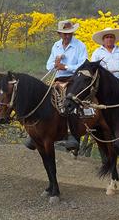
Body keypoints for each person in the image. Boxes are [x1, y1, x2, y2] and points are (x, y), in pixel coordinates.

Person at [24, 20, 88, 150]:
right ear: (59, 33)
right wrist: (55, 64)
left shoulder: (80, 46)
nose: (67, 36)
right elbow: (48, 65)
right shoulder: (56, 46)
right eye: (64, 34)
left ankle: (72, 134)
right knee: (41, 97)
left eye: (69, 33)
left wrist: (65, 66)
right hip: (57, 79)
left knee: (69, 100)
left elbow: (83, 65)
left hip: (74, 79)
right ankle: (34, 132)